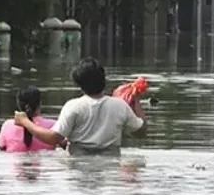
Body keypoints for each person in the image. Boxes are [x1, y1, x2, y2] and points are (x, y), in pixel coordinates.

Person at [13, 57, 146, 155]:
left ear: (79, 85)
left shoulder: (74, 106)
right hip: (110, 167)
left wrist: (25, 122)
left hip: (77, 166)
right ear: (104, 81)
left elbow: (53, 138)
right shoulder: (120, 106)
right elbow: (141, 132)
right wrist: (136, 101)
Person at [0, 86, 57, 153]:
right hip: (47, 161)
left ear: (18, 104)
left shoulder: (7, 126)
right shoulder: (53, 126)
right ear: (40, 104)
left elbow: (2, 149)